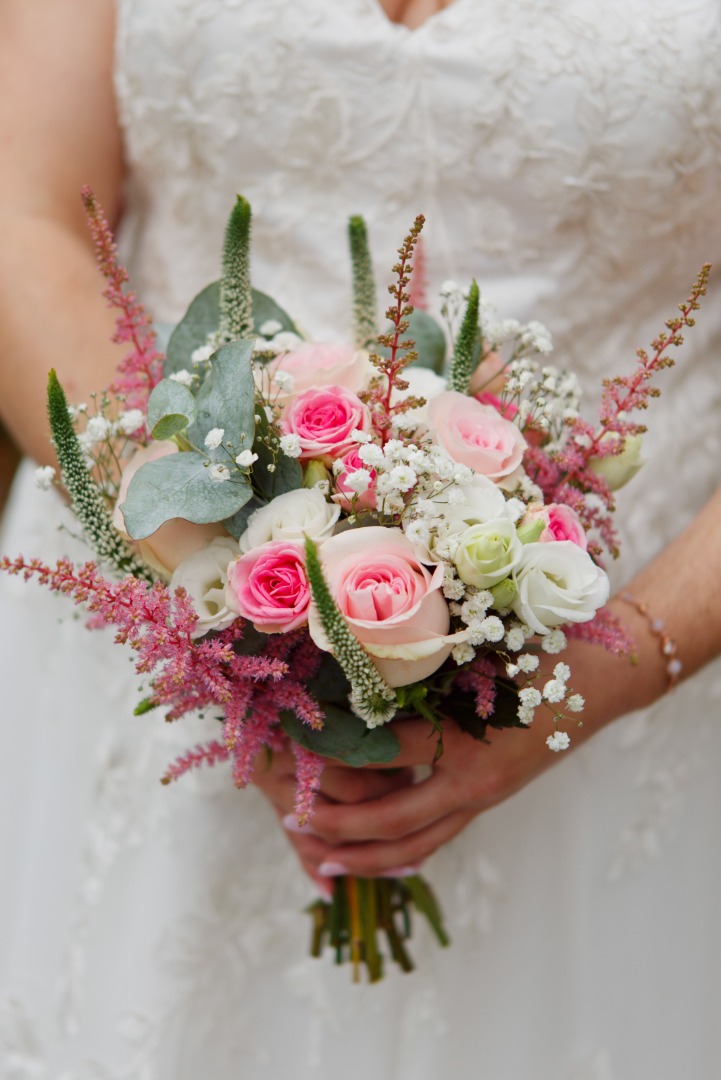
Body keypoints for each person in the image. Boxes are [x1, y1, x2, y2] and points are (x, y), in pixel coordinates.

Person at [1, 0, 720, 1076]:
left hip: (631, 647)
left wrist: (611, 670)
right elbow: (26, 206)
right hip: (152, 622)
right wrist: (217, 598)